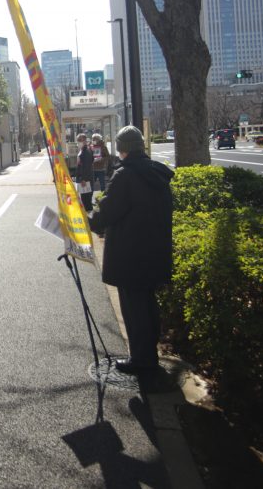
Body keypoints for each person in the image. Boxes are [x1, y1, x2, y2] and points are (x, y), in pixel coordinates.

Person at [90, 125, 173, 375]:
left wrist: (90, 219)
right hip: (154, 252)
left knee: (134, 309)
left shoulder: (125, 175)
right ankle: (149, 355)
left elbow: (108, 212)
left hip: (130, 254)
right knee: (147, 306)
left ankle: (142, 360)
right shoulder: (158, 174)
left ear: (122, 149)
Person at [75, 133, 95, 212]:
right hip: (85, 179)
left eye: (80, 140)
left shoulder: (85, 151)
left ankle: (89, 220)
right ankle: (89, 219)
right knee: (85, 200)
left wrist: (83, 179)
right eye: (78, 140)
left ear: (84, 141)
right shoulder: (85, 150)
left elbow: (86, 167)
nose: (78, 142)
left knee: (86, 200)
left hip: (86, 180)